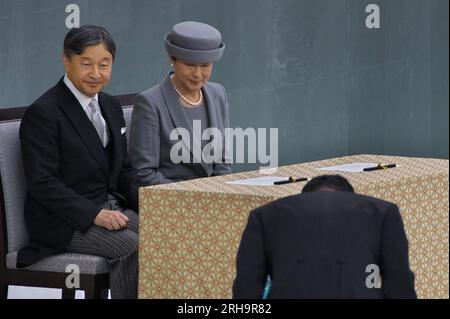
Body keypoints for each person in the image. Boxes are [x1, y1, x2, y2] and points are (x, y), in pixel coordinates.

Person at [18, 25, 139, 299]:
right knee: (132, 246)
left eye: (104, 64)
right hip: (64, 221)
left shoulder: (111, 105)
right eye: (86, 64)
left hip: (112, 207)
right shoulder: (44, 113)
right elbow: (43, 183)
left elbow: (125, 172)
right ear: (66, 60)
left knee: (168, 235)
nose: (96, 74)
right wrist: (95, 214)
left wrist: (156, 207)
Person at [233, 175, 417, 299]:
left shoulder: (264, 215)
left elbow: (246, 288)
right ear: (350, 197)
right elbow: (399, 283)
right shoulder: (383, 213)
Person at [129, 21, 231, 186]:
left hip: (214, 199)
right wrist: (191, 198)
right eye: (189, 65)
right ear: (172, 58)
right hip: (172, 202)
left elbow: (222, 162)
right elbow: (144, 173)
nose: (197, 74)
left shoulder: (218, 94)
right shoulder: (150, 102)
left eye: (205, 65)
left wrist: (217, 194)